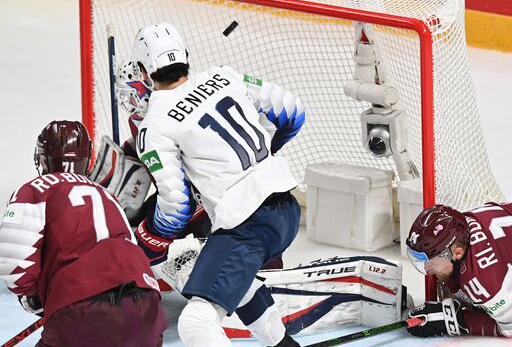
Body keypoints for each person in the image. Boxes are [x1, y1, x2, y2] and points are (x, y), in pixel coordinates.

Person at [132, 22, 305, 346]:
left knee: (196, 323)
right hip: (288, 210)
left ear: (144, 71)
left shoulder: (154, 124)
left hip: (248, 224)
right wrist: (262, 159)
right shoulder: (223, 74)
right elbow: (293, 111)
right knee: (240, 286)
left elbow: (176, 208)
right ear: (185, 54)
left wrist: (145, 242)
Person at [0, 120, 166, 346]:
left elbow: (13, 261)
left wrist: (34, 296)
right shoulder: (108, 196)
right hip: (146, 305)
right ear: (88, 160)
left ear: (41, 158)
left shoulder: (35, 189)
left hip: (83, 310)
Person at [405, 197, 512, 338]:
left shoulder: (482, 279)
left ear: (457, 253)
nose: (427, 267)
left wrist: (459, 321)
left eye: (430, 260)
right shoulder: (461, 224)